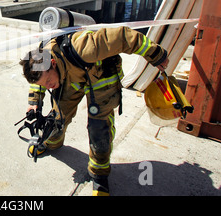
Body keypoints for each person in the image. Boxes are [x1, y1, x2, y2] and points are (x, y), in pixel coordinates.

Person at [19, 26, 169, 196]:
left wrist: (157, 55)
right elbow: (38, 80)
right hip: (69, 78)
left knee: (99, 129)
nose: (48, 86)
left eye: (48, 81)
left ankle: (99, 175)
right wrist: (34, 102)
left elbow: (124, 37)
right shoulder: (42, 56)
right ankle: (52, 143)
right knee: (57, 117)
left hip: (100, 77)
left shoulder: (86, 47)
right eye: (44, 85)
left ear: (52, 63)